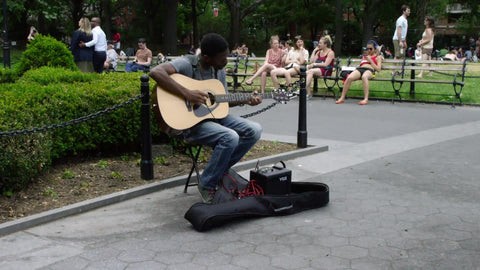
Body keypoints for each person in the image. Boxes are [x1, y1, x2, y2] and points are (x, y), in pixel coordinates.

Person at [149, 33, 262, 203]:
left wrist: (246, 100)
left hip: (215, 117)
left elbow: (220, 101)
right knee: (230, 137)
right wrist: (187, 93)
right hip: (190, 123)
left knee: (254, 130)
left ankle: (219, 172)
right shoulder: (187, 64)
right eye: (222, 58)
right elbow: (155, 72)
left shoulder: (219, 70)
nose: (226, 61)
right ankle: (208, 184)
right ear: (207, 58)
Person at [335, 40, 382, 105]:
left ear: (375, 49)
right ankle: (342, 97)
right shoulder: (365, 56)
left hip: (370, 70)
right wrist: (366, 58)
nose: (369, 50)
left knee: (364, 77)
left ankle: (366, 99)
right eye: (367, 48)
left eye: (371, 49)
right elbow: (362, 64)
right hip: (360, 69)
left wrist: (370, 60)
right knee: (349, 78)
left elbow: (378, 69)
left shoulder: (378, 57)